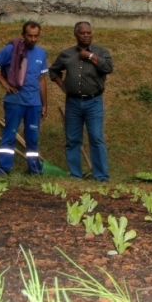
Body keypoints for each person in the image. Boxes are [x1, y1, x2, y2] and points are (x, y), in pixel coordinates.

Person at [49, 21, 113, 182]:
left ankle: (101, 176)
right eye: (82, 33)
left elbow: (108, 68)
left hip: (94, 102)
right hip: (73, 103)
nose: (86, 36)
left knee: (96, 137)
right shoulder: (67, 54)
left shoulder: (101, 52)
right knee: (72, 139)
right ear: (76, 34)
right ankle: (75, 174)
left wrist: (90, 56)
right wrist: (63, 85)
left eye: (89, 33)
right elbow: (53, 70)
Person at [0, 21, 48, 175]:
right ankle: (3, 169)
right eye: (30, 36)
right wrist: (4, 82)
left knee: (32, 138)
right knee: (10, 135)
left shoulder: (41, 53)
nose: (33, 39)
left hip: (34, 103)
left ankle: (34, 170)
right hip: (15, 101)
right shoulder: (12, 49)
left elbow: (42, 80)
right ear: (23, 35)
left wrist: (45, 104)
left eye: (36, 36)